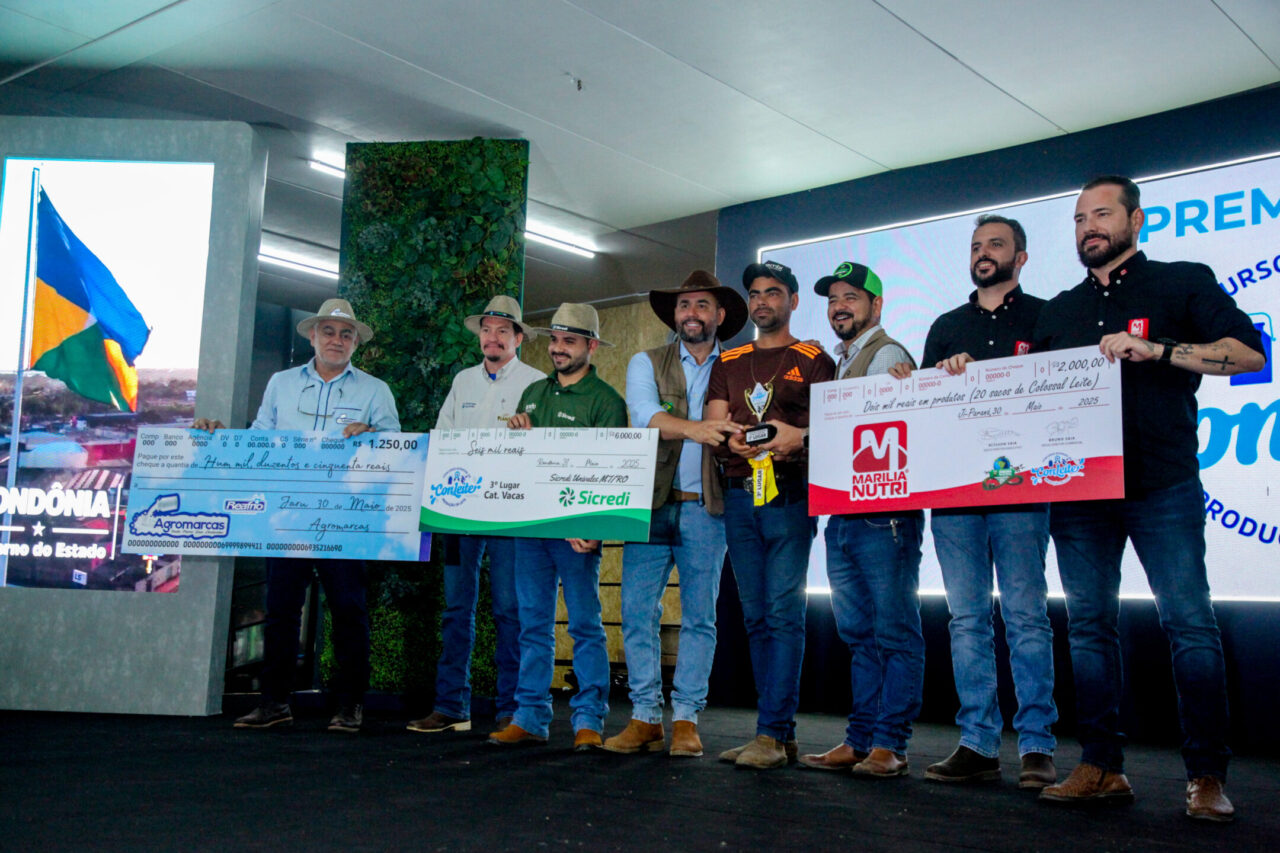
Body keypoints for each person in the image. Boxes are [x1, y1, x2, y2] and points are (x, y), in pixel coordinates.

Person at [1033, 176, 1266, 820]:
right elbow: (1018, 395)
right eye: (1079, 218)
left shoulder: (1182, 280)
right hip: (1079, 492)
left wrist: (1157, 350)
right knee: (1087, 628)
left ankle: (1207, 776)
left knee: (1189, 624)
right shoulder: (1059, 311)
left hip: (1164, 482)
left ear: (1137, 220)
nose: (1089, 227)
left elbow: (1249, 355)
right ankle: (1101, 765)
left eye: (1102, 213)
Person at [891, 216, 1058, 788]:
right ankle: (978, 743)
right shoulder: (946, 326)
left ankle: (1037, 744)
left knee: (1027, 616)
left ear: (1021, 256)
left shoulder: (1047, 317)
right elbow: (925, 412)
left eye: (996, 245)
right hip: (955, 492)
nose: (983, 253)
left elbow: (1061, 396)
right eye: (976, 246)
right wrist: (924, 379)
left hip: (1023, 487)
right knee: (966, 620)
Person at [198, 298, 400, 733]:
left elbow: (396, 449)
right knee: (281, 610)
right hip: (286, 516)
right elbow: (259, 438)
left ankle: (350, 705)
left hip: (345, 518)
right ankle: (274, 703)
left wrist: (373, 434)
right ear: (312, 336)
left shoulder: (375, 390)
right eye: (328, 331)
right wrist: (218, 440)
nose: (337, 340)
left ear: (355, 343)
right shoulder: (281, 383)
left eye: (346, 334)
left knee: (349, 610)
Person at [602, 271, 748, 758]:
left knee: (700, 617)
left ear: (719, 315)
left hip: (709, 508)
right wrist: (700, 429)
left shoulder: (739, 366)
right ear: (674, 315)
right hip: (651, 504)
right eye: (685, 305)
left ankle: (686, 718)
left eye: (702, 305)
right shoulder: (645, 361)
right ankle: (645, 716)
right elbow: (646, 416)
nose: (691, 313)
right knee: (635, 612)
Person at [796, 262, 926, 779]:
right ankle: (861, 740)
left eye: (851, 297)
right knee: (859, 635)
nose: (839, 307)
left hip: (882, 517)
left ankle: (890, 744)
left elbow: (868, 430)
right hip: (847, 515)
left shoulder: (887, 354)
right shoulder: (842, 362)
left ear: (877, 305)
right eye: (833, 300)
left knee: (893, 633)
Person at [704, 260, 835, 770]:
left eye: (773, 292)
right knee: (756, 617)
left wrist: (791, 439)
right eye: (755, 293)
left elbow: (829, 427)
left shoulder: (815, 359)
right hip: (740, 493)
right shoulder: (730, 359)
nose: (762, 301)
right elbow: (716, 424)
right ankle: (777, 732)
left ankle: (770, 733)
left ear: (793, 301)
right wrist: (732, 438)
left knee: (782, 614)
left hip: (790, 493)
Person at [488, 303, 628, 750]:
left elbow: (613, 472)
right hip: (531, 528)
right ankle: (530, 715)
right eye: (554, 340)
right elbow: (524, 462)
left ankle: (589, 719)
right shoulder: (533, 393)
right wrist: (517, 435)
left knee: (585, 624)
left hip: (577, 532)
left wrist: (595, 526)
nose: (558, 348)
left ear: (591, 346)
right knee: (531, 624)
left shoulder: (607, 401)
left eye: (569, 341)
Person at [408, 295, 543, 736]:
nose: (493, 337)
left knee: (509, 610)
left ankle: (511, 711)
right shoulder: (462, 381)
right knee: (456, 608)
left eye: (503, 331)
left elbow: (545, 450)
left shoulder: (538, 383)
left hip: (510, 514)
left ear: (518, 338)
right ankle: (451, 706)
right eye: (487, 330)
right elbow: (442, 437)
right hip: (459, 511)